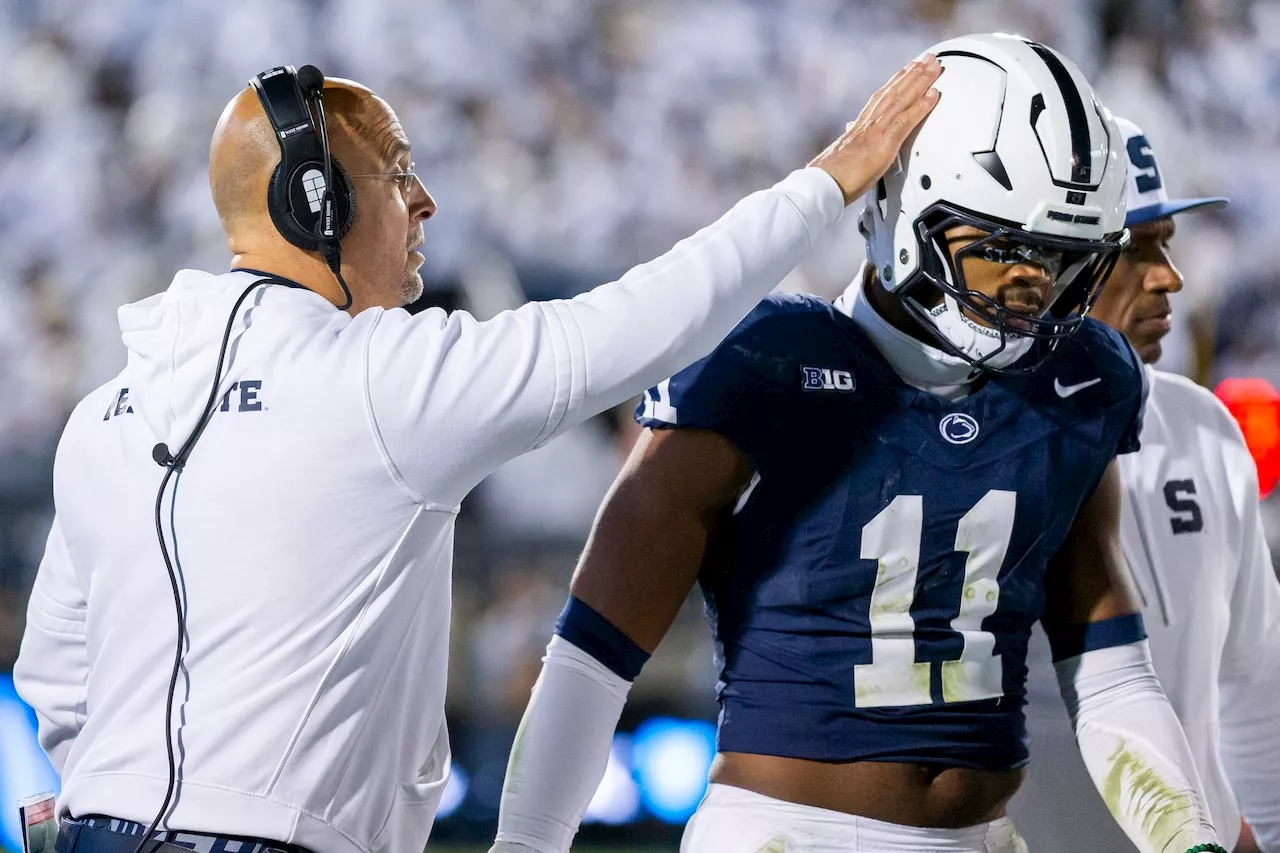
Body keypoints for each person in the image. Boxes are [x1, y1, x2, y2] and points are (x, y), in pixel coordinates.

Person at [11, 58, 944, 853]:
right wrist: (828, 180)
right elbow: (636, 324)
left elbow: (57, 680)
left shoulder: (105, 414)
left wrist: (125, 796)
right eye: (396, 171)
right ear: (315, 202)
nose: (424, 200)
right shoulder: (378, 380)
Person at [489, 34, 1232, 853]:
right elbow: (593, 657)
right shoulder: (763, 362)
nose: (1035, 283)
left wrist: (1186, 837)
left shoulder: (1082, 379)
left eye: (1060, 256)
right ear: (906, 212)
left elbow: (1110, 669)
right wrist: (526, 844)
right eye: (1006, 248)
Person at [1007, 118, 1280, 853]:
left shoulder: (1205, 428)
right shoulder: (969, 443)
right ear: (1046, 260)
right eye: (1135, 249)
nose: (1171, 278)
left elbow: (1258, 694)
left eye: (1167, 243)